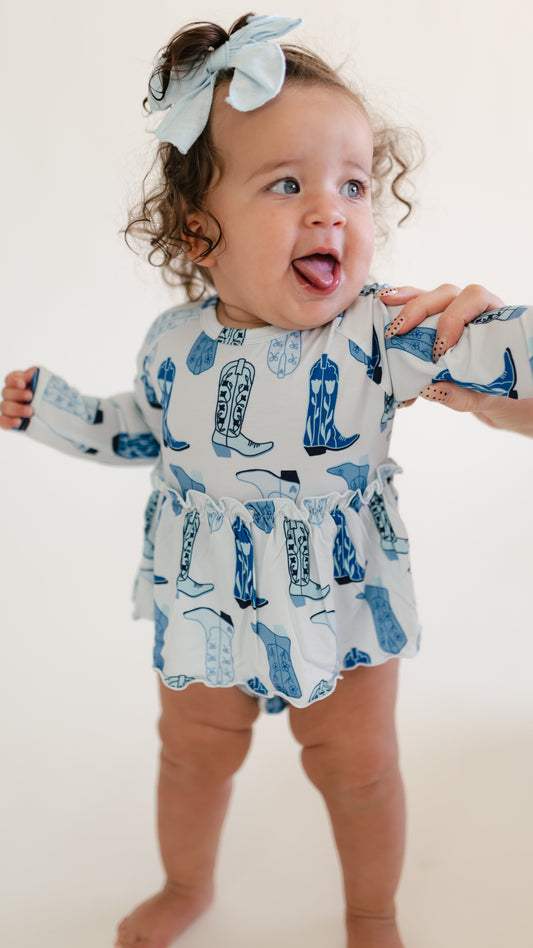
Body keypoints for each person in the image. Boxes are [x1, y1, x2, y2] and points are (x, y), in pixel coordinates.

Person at [1, 14, 533, 948]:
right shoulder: (173, 344)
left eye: (355, 185)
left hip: (340, 590)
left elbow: (496, 354)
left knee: (358, 769)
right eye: (287, 184)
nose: (332, 210)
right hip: (205, 593)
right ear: (200, 236)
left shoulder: (381, 332)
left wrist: (502, 339)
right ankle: (184, 885)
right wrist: (52, 410)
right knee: (191, 755)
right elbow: (142, 433)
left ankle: (371, 911)